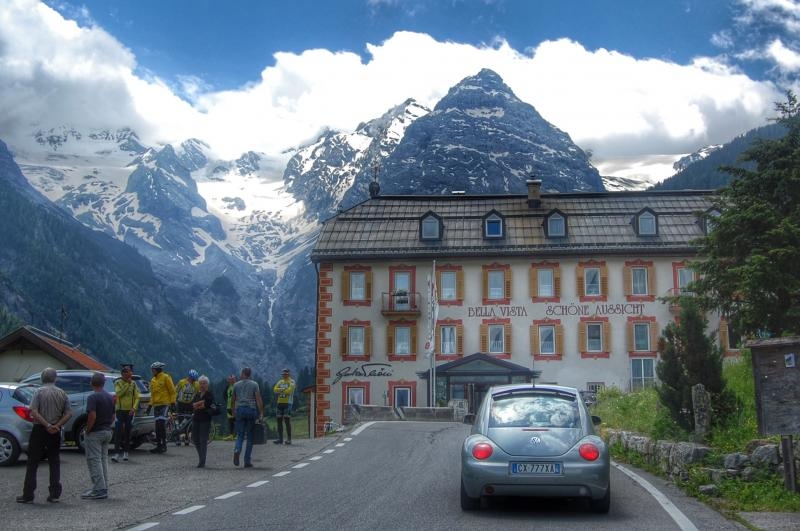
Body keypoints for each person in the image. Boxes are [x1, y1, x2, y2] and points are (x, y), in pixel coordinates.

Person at [17, 368, 72, 504]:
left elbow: (34, 411)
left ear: (42, 378)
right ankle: (54, 493)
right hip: (55, 430)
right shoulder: (62, 393)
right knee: (54, 461)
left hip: (40, 429)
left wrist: (46, 424)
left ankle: (28, 494)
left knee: (33, 462)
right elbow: (69, 413)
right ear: (55, 379)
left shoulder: (38, 392)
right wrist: (57, 425)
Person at [82, 372, 115, 500]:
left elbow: (92, 416)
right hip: (107, 430)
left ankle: (99, 489)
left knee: (94, 460)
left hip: (96, 432)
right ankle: (104, 486)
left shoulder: (93, 397)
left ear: (92, 383)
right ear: (103, 383)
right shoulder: (109, 397)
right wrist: (107, 424)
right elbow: (113, 416)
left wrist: (88, 430)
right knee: (103, 460)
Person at [231, 367, 263, 468]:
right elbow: (258, 399)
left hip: (240, 409)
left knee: (240, 435)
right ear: (249, 374)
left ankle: (237, 450)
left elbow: (233, 400)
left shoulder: (236, 385)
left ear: (243, 374)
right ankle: (247, 461)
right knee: (250, 436)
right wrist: (261, 412)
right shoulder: (254, 384)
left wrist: (233, 411)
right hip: (251, 410)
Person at [111, 364, 139, 462]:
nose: (128, 376)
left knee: (128, 431)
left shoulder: (134, 384)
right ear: (123, 374)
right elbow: (119, 394)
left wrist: (134, 408)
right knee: (118, 431)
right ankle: (116, 453)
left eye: (129, 374)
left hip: (129, 411)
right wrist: (127, 384)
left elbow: (137, 397)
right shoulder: (118, 382)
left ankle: (126, 452)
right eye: (126, 374)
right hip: (120, 410)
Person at [149, 361, 176, 453]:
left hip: (164, 404)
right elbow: (152, 394)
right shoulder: (153, 380)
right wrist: (150, 405)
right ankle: (159, 446)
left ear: (158, 369)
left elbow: (172, 391)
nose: (152, 371)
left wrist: (173, 403)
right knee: (157, 426)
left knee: (161, 424)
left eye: (153, 369)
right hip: (156, 405)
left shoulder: (166, 377)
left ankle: (164, 445)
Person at [191, 375, 214, 468]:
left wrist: (198, 404)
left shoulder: (209, 394)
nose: (202, 385)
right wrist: (199, 404)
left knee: (203, 440)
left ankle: (202, 461)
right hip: (196, 419)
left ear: (207, 384)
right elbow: (193, 405)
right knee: (195, 439)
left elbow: (206, 404)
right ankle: (201, 457)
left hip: (205, 419)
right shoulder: (197, 394)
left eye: (204, 383)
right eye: (200, 383)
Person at [174, 369, 200, 445]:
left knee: (189, 422)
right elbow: (176, 391)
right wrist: (174, 402)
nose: (193, 380)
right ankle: (177, 438)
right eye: (192, 379)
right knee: (180, 421)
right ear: (189, 377)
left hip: (190, 404)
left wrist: (196, 403)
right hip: (181, 403)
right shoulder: (182, 382)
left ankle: (186, 438)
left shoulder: (196, 384)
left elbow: (198, 394)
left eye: (194, 379)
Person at [272, 368, 296, 445]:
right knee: (279, 420)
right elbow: (275, 389)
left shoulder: (292, 381)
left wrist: (280, 390)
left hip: (288, 403)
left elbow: (290, 391)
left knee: (287, 420)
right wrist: (283, 389)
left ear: (288, 374)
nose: (284, 375)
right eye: (283, 374)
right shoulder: (280, 381)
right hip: (279, 402)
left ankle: (289, 439)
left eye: (285, 374)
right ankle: (280, 439)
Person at [223, 374, 236, 440]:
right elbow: (224, 395)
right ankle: (231, 435)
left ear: (235, 379)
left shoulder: (237, 386)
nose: (231, 381)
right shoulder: (227, 387)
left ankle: (238, 434)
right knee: (230, 421)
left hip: (236, 406)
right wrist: (228, 401)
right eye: (230, 379)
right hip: (229, 406)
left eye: (233, 379)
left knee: (237, 420)